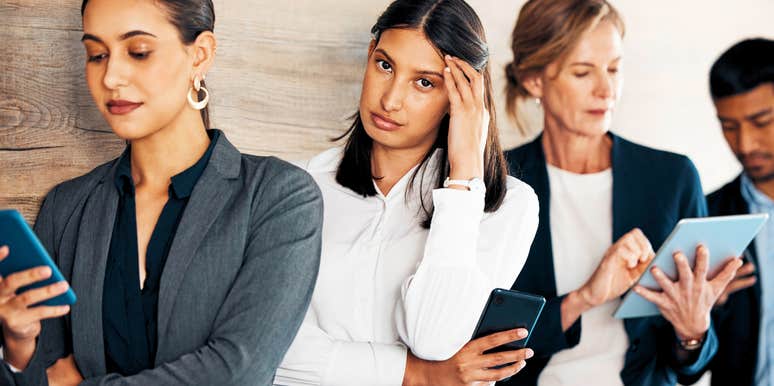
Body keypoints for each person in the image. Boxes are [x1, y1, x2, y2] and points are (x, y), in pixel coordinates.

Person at [0, 0, 323, 385]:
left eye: (138, 52)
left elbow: (238, 373)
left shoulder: (278, 197)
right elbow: (41, 373)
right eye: (96, 54)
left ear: (199, 55)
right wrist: (18, 348)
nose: (111, 77)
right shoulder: (68, 206)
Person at [275, 0, 539, 385]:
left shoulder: (507, 205)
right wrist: (418, 375)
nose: (390, 99)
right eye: (385, 65)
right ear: (369, 55)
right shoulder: (303, 186)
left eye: (424, 82)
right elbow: (275, 350)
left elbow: (435, 338)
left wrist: (464, 176)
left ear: (460, 97)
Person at [499, 1, 742, 385]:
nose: (606, 89)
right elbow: (487, 344)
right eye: (583, 72)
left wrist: (692, 331)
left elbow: (690, 365)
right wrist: (584, 297)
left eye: (614, 69)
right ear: (534, 80)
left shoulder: (672, 177)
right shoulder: (497, 184)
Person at [679, 38, 774, 386]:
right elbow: (683, 367)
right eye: (729, 125)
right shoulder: (707, 219)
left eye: (762, 121)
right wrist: (702, 313)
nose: (745, 143)